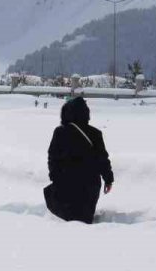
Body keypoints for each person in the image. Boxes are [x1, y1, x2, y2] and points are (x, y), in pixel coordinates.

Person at [45, 96, 114, 224]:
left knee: (68, 220)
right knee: (84, 220)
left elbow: (52, 157)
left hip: (65, 184)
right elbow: (102, 160)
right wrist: (108, 179)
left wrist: (54, 176)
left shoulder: (60, 133)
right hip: (90, 186)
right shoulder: (95, 134)